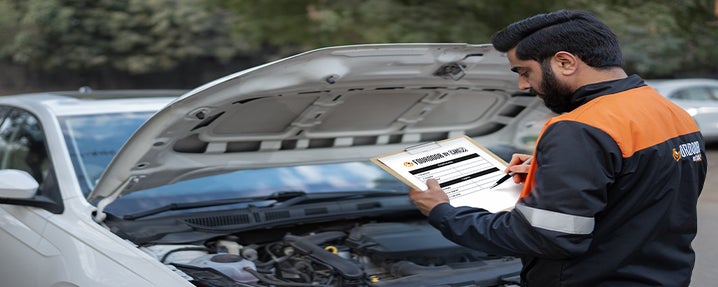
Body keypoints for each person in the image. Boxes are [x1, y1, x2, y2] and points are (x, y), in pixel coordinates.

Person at [408, 9, 707, 287]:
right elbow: (641, 190)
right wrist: (552, 170)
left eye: (524, 72)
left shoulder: (580, 129)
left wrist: (443, 213)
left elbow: (548, 237)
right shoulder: (668, 111)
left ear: (565, 62)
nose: (524, 86)